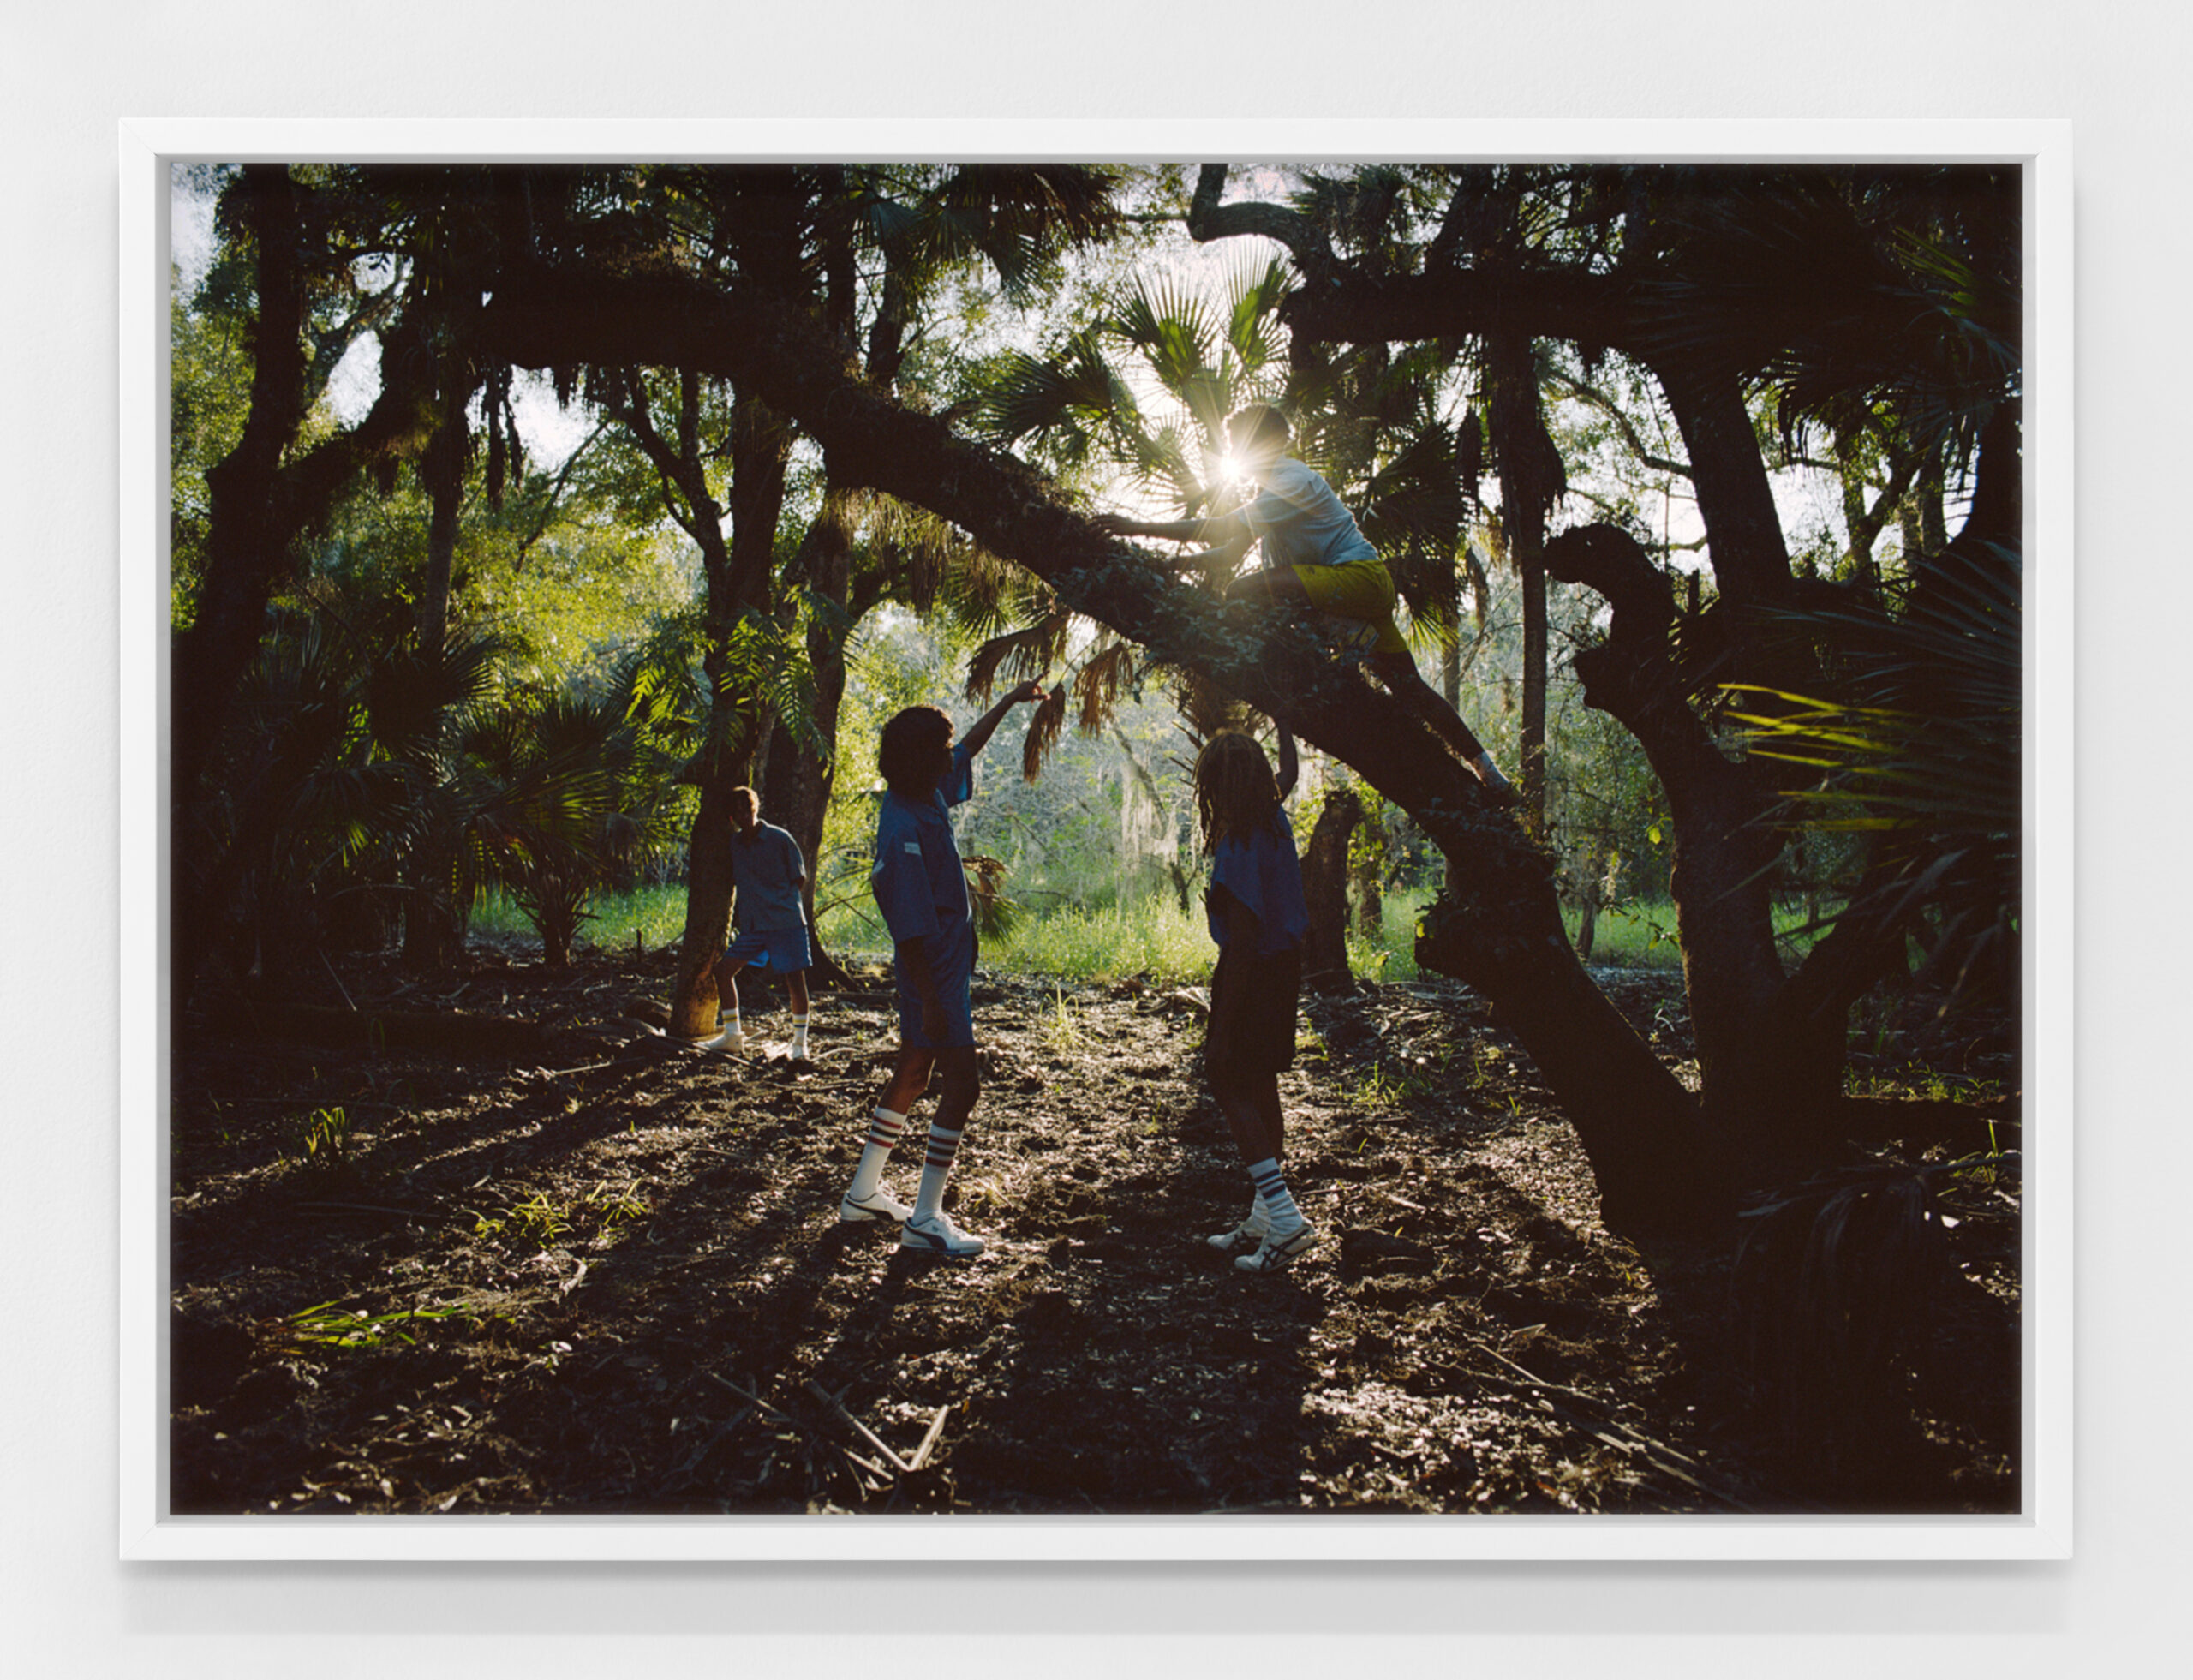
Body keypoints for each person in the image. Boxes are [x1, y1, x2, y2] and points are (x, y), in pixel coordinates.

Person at [1097, 403, 1515, 800]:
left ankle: (1313, 650)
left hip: (1359, 580)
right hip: (1350, 596)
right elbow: (1227, 551)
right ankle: (1490, 775)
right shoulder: (1269, 494)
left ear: (1268, 443)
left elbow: (1222, 528)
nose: (1237, 454)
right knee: (1412, 690)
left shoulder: (1291, 481)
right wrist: (1173, 564)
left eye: (1242, 444)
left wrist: (1137, 526)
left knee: (1243, 591)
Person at [837, 677, 1049, 1256]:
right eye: (939, 751)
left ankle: (862, 1193)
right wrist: (932, 1001)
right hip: (931, 973)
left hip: (946, 966)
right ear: (917, 759)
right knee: (964, 1086)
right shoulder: (901, 827)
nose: (949, 759)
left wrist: (1009, 700)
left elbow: (969, 748)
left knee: (913, 1074)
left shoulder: (926, 790)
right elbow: (908, 931)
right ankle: (926, 1218)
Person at [1194, 727, 1319, 1275]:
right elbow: (1289, 773)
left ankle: (1287, 1221)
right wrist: (1284, 721)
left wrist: (1221, 1031)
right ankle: (1264, 1217)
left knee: (1229, 1080)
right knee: (1262, 1084)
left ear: (1219, 788)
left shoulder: (1240, 843)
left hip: (1252, 972)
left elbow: (1242, 942)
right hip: (1284, 969)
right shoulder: (1272, 818)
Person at [708, 786, 814, 1060]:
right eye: (737, 813)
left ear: (755, 809)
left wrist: (777, 900)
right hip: (754, 926)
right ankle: (732, 1036)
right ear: (731, 817)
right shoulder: (735, 844)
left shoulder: (779, 838)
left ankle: (800, 1044)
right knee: (723, 971)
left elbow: (799, 878)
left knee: (795, 980)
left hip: (785, 922)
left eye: (748, 810)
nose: (744, 816)